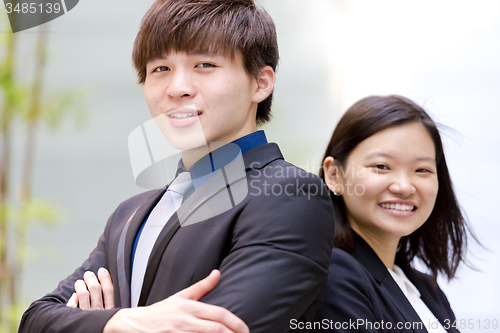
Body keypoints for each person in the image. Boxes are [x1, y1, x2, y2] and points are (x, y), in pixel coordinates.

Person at [19, 1, 335, 332]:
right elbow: (35, 319)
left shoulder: (290, 195)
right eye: (160, 69)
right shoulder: (129, 215)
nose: (176, 88)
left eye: (205, 64)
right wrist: (120, 322)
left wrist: (94, 322)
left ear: (260, 82)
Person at [314, 95, 470, 333]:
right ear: (334, 175)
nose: (404, 187)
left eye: (422, 169)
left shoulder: (426, 289)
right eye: (381, 166)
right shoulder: (332, 274)